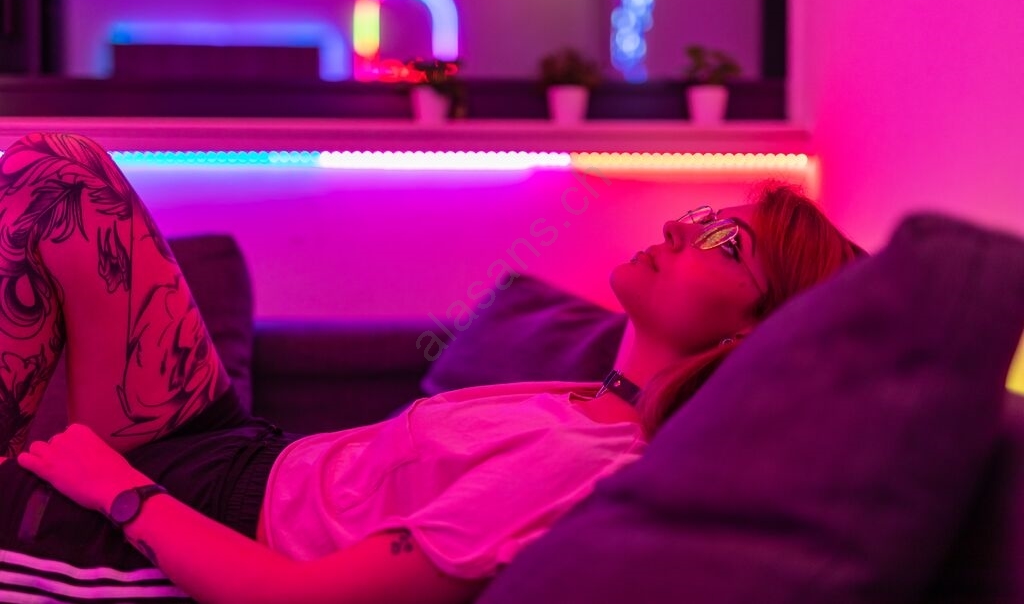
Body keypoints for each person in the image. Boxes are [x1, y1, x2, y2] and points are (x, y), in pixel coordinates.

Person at [0, 133, 864, 604]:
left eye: (726, 242)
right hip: (237, 449)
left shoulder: (587, 467)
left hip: (215, 506)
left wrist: (121, 489)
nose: (683, 225)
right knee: (62, 174)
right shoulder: (588, 398)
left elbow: (298, 600)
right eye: (705, 211)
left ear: (760, 334)